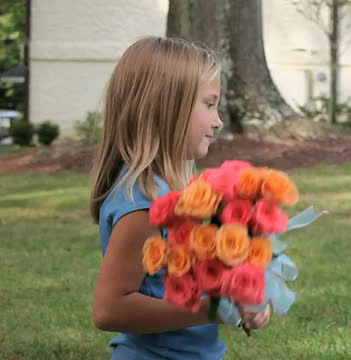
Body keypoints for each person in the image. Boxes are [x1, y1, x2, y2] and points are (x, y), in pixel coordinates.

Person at [89, 36, 270, 360]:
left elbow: (175, 281)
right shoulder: (144, 203)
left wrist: (241, 297)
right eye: (209, 104)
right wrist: (211, 310)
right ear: (167, 107)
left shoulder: (166, 194)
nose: (218, 120)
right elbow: (109, 309)